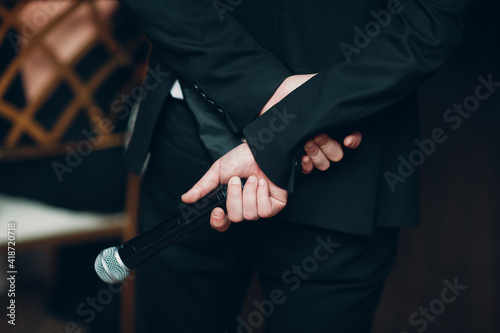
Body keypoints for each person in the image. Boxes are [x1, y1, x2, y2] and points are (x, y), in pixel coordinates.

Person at [117, 0, 467, 332]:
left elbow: (431, 21)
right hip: (199, 149)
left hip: (347, 182)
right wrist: (295, 111)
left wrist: (283, 110)